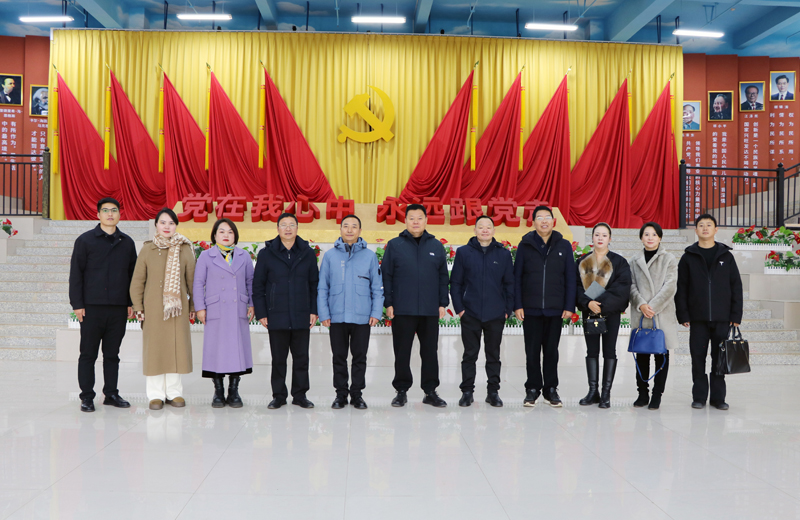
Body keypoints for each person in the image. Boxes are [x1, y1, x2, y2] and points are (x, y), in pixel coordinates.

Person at [69, 197, 137, 413]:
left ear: (119, 214)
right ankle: (87, 397)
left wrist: (131, 302)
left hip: (117, 307)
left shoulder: (127, 242)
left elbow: (132, 276)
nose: (110, 214)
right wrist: (77, 304)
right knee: (88, 354)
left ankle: (111, 393)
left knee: (112, 354)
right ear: (98, 214)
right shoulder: (85, 241)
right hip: (91, 307)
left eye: (114, 210)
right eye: (105, 210)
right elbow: (76, 274)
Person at [382, 203, 450, 408]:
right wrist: (389, 302)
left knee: (430, 352)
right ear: (405, 221)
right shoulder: (395, 245)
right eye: (411, 218)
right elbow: (387, 276)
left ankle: (430, 391)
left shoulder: (436, 246)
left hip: (429, 309)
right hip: (403, 308)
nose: (415, 222)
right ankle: (401, 391)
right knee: (402, 351)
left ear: (426, 220)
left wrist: (442, 303)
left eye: (419, 218)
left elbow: (443, 277)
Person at [130, 208, 196, 411]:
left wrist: (193, 306)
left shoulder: (185, 248)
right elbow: (137, 282)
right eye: (163, 222)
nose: (167, 227)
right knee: (155, 350)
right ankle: (156, 395)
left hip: (177, 309)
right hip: (153, 309)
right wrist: (138, 307)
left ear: (176, 226)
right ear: (156, 225)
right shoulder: (147, 249)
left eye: (171, 223)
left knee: (176, 348)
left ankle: (174, 392)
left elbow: (192, 282)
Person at [675, 214, 743, 410]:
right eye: (701, 225)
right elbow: (681, 288)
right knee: (698, 359)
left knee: (719, 359)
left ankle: (718, 398)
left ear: (715, 229)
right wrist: (683, 314)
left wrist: (735, 315)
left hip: (722, 318)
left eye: (709, 225)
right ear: (696, 230)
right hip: (698, 319)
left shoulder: (726, 256)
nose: (705, 228)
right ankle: (699, 397)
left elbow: (736, 286)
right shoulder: (688, 257)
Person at [253, 213, 319, 410]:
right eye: (284, 225)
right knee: (278, 359)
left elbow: (314, 284)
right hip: (276, 314)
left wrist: (313, 310)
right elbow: (258, 286)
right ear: (278, 229)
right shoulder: (266, 254)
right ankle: (279, 396)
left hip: (301, 313)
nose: (288, 228)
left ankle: (300, 395)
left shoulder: (307, 253)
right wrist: (262, 313)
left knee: (301, 358)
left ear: (297, 228)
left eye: (292, 225)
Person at [317, 214, 383, 410]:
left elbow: (377, 287)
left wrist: (376, 312)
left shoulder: (370, 256)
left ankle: (357, 394)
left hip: (362, 316)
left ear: (360, 231)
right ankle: (340, 394)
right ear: (340, 230)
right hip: (337, 316)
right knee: (339, 357)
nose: (350, 229)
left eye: (354, 226)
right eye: (346, 226)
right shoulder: (330, 256)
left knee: (359, 357)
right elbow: (323, 287)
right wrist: (324, 313)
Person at [513, 206, 575, 408]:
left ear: (553, 221)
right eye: (539, 217)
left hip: (555, 308)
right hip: (530, 308)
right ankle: (532, 388)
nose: (544, 221)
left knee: (551, 351)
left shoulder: (564, 245)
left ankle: (551, 389)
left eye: (547, 217)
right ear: (533, 222)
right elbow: (517, 277)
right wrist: (518, 304)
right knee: (531, 351)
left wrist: (569, 305)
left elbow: (570, 278)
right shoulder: (525, 245)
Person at [450, 215, 514, 407]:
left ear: (494, 231)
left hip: (496, 314)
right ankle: (467, 392)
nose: (485, 230)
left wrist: (506, 310)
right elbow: (456, 283)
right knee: (469, 354)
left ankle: (493, 392)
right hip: (470, 313)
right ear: (475, 230)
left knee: (493, 355)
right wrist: (460, 309)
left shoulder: (503, 254)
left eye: (488, 227)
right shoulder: (464, 253)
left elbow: (509, 284)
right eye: (481, 227)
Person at [193, 218, 254, 409]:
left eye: (230, 232)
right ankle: (218, 391)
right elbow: (198, 283)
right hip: (215, 308)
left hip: (238, 308)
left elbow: (251, 282)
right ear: (214, 235)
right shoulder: (206, 256)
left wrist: (252, 304)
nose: (226, 235)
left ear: (235, 235)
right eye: (222, 231)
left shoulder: (244, 256)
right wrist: (200, 307)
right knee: (216, 350)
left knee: (237, 349)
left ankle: (234, 391)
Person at [576, 223, 631, 409]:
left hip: (610, 313)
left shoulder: (619, 262)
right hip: (589, 313)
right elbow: (576, 287)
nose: (600, 238)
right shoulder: (582, 262)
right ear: (592, 237)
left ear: (610, 238)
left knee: (609, 351)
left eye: (604, 235)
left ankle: (606, 393)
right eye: (597, 234)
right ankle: (593, 391)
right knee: (591, 351)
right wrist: (587, 303)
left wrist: (599, 303)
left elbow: (622, 288)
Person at [628, 222, 679, 410]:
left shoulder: (669, 259)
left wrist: (653, 306)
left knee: (661, 356)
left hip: (661, 314)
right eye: (646, 234)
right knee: (641, 356)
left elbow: (670, 286)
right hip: (641, 313)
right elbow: (631, 285)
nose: (650, 238)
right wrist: (641, 304)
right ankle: (642, 393)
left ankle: (657, 394)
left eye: (654, 234)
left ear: (660, 237)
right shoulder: (634, 260)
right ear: (641, 237)